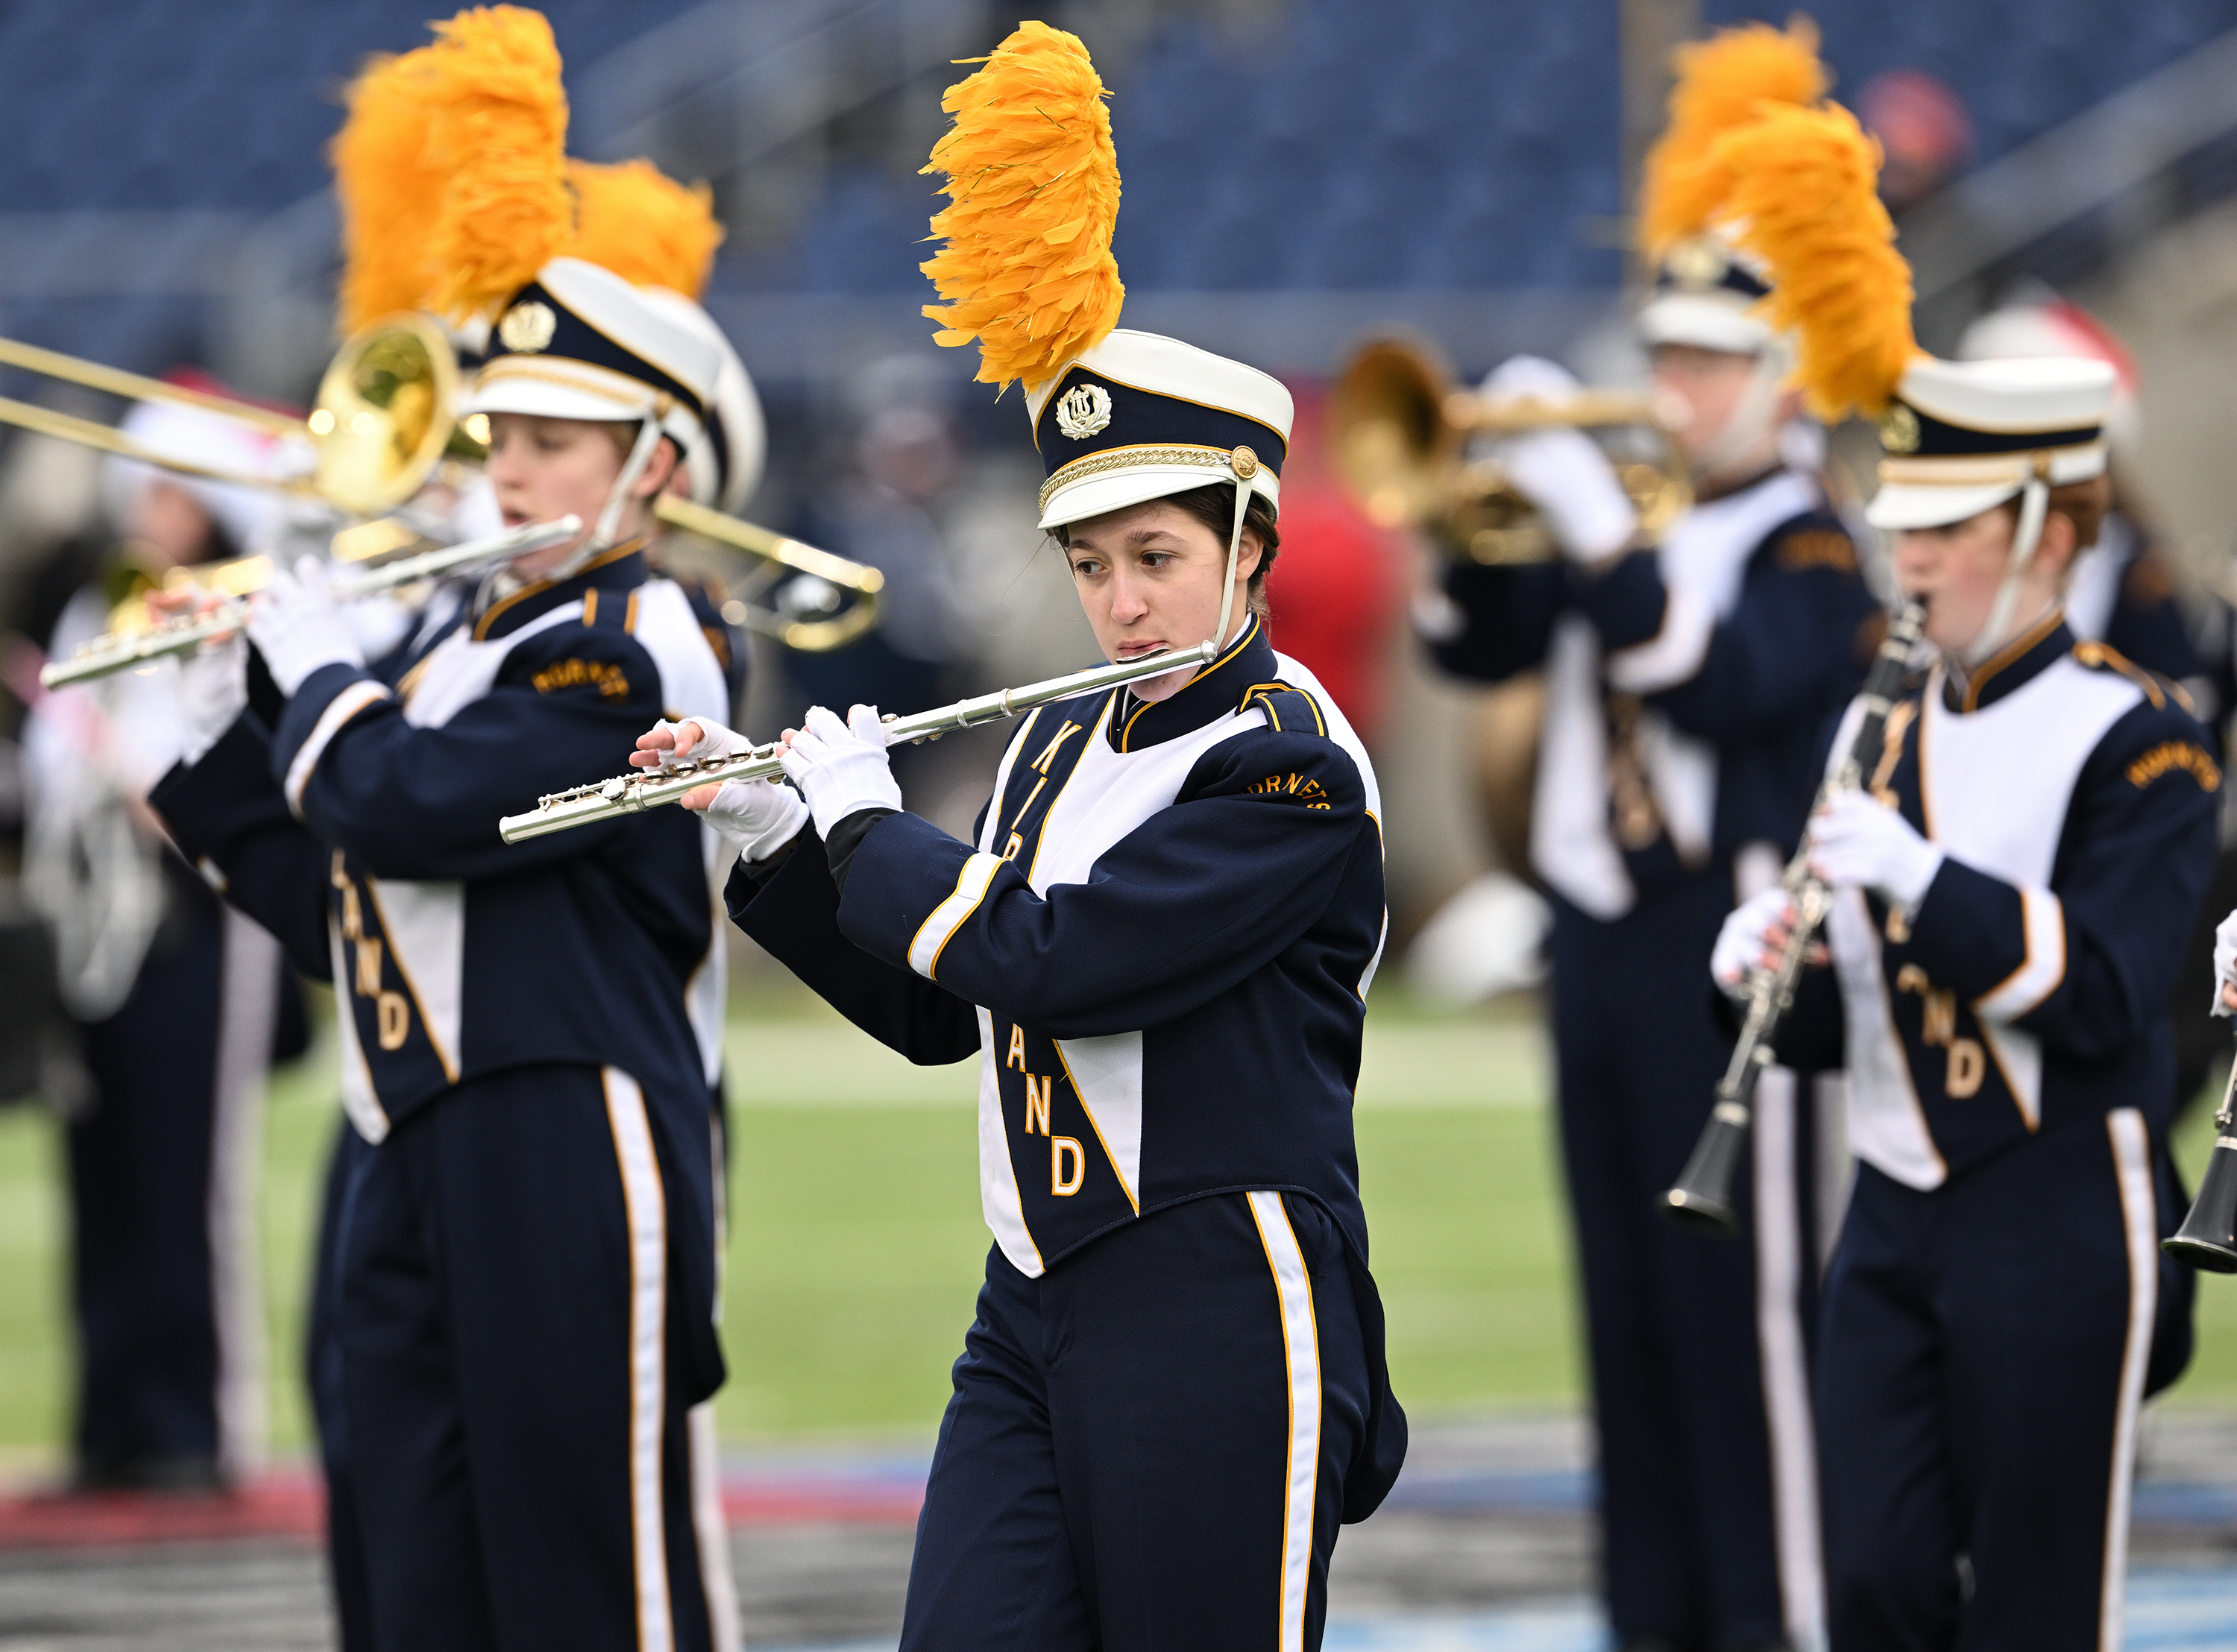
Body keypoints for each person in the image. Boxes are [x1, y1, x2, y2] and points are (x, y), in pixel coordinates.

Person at [635, 24, 1404, 1649]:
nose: (1121, 605)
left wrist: (870, 821)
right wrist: (775, 837)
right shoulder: (1058, 735)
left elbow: (1064, 962)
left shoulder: (1289, 767)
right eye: (1090, 565)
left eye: (1157, 557)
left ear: (1250, 542)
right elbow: (939, 1009)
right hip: (1032, 1300)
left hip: (1216, 1295)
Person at [149, 242, 737, 1652]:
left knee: (582, 1571)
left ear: (652, 466)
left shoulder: (633, 643)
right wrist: (214, 715)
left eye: (553, 443)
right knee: (411, 1564)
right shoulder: (444, 652)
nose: (508, 473)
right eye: (500, 438)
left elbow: (403, 806)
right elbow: (337, 908)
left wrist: (326, 683)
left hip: (567, 1119)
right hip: (411, 1123)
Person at [1702, 93, 2218, 1651]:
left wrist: (1916, 876)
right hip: (1897, 1200)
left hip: (2059, 1198)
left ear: (2052, 527)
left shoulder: (2144, 741)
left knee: (2041, 1603)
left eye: (1946, 530)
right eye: (1900, 525)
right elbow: (1859, 1011)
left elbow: (2113, 997)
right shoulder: (1886, 725)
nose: (1907, 559)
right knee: (1870, 1583)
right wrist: (1761, 978)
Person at [1415, 22, 1876, 1648]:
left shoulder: (1816, 546)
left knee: (1745, 1334)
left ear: (1789, 375)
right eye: (1663, 357)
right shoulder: (1630, 513)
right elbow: (1472, 647)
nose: (1671, 391)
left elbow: (1711, 673)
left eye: (1708, 365)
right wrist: (1488, 507)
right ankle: (1655, 1620)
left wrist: (1588, 500)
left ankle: (1775, 1623)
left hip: (1736, 957)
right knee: (1623, 1316)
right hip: (1598, 944)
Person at [21, 396, 301, 1491]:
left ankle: (197, 1426)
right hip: (96, 920)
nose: (158, 514)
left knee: (190, 1175)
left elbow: (251, 751)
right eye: (149, 491)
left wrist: (160, 793)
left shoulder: (252, 602)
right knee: (101, 1172)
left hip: (199, 914)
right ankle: (111, 1422)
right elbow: (55, 749)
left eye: (182, 494)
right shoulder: (104, 599)